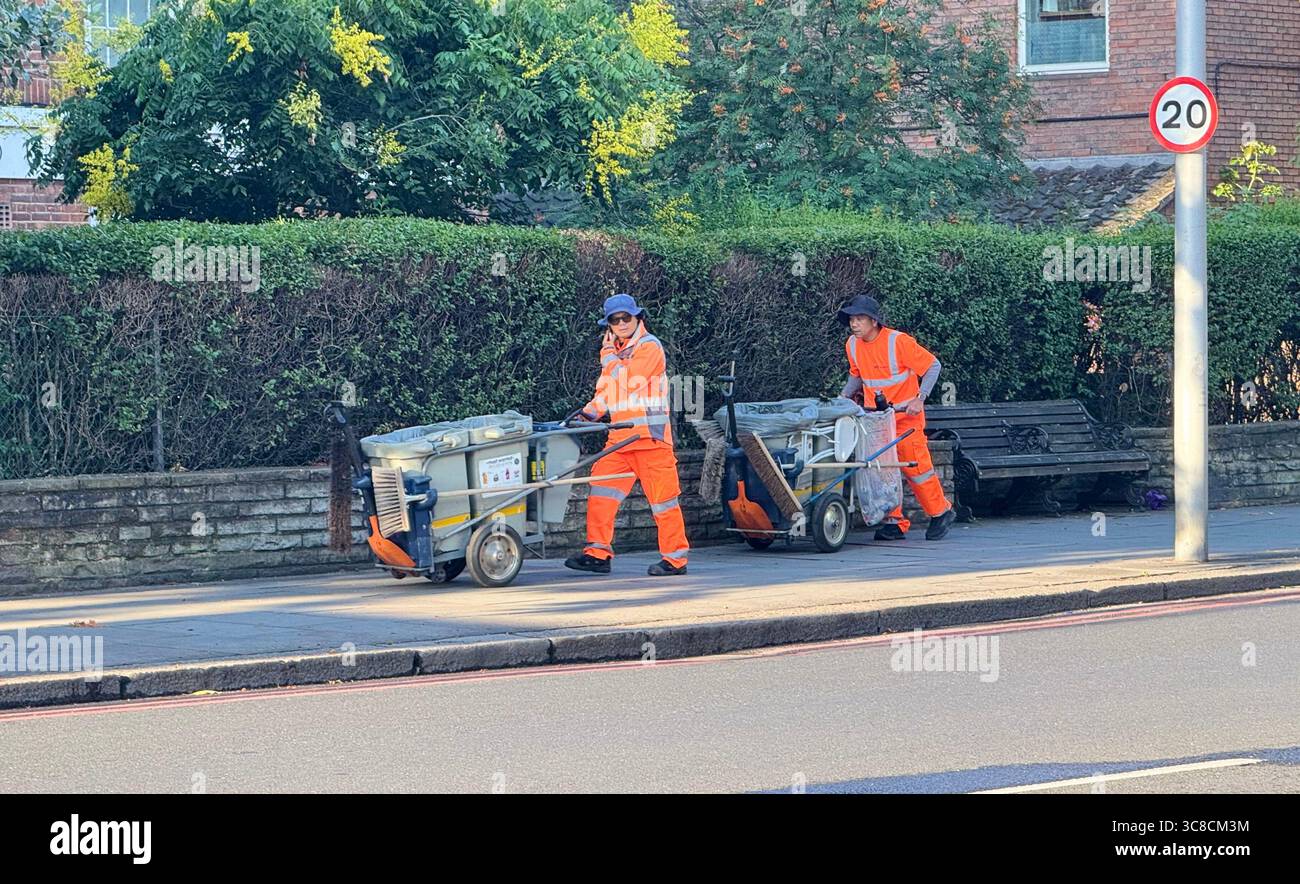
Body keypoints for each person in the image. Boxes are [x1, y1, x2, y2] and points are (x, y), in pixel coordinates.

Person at [565, 294, 690, 576]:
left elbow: (627, 382)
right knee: (601, 494)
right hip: (620, 442)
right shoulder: (614, 355)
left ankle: (675, 560)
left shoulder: (649, 347)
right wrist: (587, 415)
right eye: (615, 320)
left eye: (626, 318)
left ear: (638, 318)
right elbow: (607, 393)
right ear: (608, 325)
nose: (621, 323)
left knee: (663, 502)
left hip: (650, 440)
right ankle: (598, 554)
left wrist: (608, 356)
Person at [838, 292, 957, 541]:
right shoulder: (852, 345)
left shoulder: (898, 342)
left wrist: (920, 398)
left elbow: (933, 366)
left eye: (859, 319)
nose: (854, 324)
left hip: (906, 419)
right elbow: (857, 375)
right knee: (884, 472)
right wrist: (844, 396)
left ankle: (941, 512)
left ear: (874, 321)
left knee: (917, 469)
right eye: (851, 319)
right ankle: (894, 522)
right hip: (877, 420)